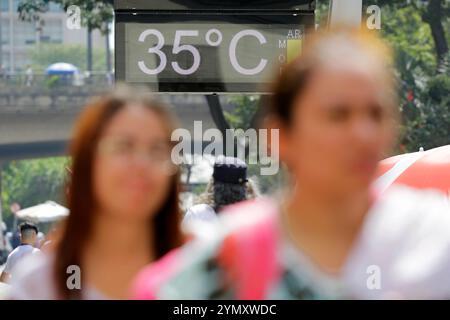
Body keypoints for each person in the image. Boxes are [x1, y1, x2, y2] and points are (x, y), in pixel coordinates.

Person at [131, 28, 450, 300]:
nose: (363, 134)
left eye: (376, 114)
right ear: (279, 136)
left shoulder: (433, 238)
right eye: (338, 115)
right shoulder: (221, 265)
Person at [10, 84, 184, 299]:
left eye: (157, 149)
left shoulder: (209, 265)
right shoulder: (37, 283)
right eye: (123, 147)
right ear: (88, 165)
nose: (141, 163)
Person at [183, 156, 259, 226]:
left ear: (213, 185)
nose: (229, 193)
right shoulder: (255, 218)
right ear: (245, 187)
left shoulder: (197, 214)